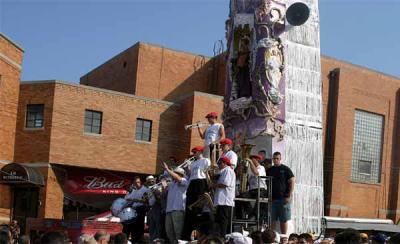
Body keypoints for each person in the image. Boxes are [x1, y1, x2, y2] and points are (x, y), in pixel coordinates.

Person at [182, 146, 211, 241]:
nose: (194, 154)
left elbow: (207, 172)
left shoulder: (205, 160)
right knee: (190, 206)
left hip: (200, 182)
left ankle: (197, 230)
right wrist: (186, 168)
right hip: (193, 183)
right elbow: (190, 175)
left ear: (200, 152)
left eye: (195, 152)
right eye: (193, 152)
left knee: (198, 206)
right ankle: (188, 232)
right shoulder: (193, 163)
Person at [266, 152, 295, 234]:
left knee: (283, 219)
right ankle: (271, 238)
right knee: (272, 219)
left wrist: (289, 195)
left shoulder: (285, 169)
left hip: (284, 199)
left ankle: (284, 237)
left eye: (277, 158)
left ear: (280, 159)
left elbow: (292, 181)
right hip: (273, 199)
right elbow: (267, 183)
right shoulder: (269, 170)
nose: (275, 160)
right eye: (274, 158)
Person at [161, 162, 188, 243]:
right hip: (169, 210)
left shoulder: (184, 180)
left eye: (174, 173)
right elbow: (163, 195)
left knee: (178, 233)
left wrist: (167, 169)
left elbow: (178, 178)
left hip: (178, 210)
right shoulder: (171, 184)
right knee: (169, 232)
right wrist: (164, 186)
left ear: (179, 174)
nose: (171, 175)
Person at [238, 154, 268, 222]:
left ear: (257, 160)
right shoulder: (250, 169)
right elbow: (245, 177)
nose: (251, 160)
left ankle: (254, 215)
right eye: (250, 159)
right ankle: (249, 213)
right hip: (252, 190)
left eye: (252, 159)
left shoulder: (261, 168)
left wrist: (250, 162)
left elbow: (256, 173)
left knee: (259, 199)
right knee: (241, 196)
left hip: (261, 189)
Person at [211, 156, 236, 237]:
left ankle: (223, 238)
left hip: (225, 201)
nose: (218, 165)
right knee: (219, 221)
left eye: (219, 163)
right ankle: (219, 237)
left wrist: (213, 185)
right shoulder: (223, 171)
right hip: (221, 201)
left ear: (225, 163)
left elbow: (225, 184)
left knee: (223, 222)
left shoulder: (228, 170)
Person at [124, 176, 150, 243]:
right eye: (135, 183)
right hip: (133, 210)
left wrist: (134, 200)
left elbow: (146, 201)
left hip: (141, 209)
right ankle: (134, 241)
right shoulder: (134, 191)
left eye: (138, 182)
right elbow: (131, 202)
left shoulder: (146, 189)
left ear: (140, 182)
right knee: (133, 229)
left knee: (139, 229)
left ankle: (138, 241)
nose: (137, 184)